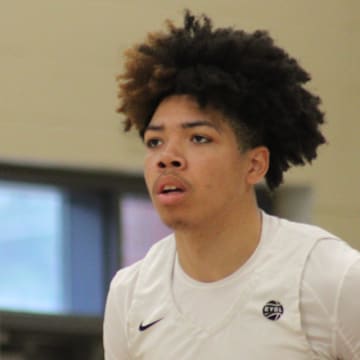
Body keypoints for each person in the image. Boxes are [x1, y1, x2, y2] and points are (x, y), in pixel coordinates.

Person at [103, 10, 360, 359]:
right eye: (154, 142)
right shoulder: (130, 294)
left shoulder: (331, 277)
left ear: (254, 165)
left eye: (198, 138)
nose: (168, 157)